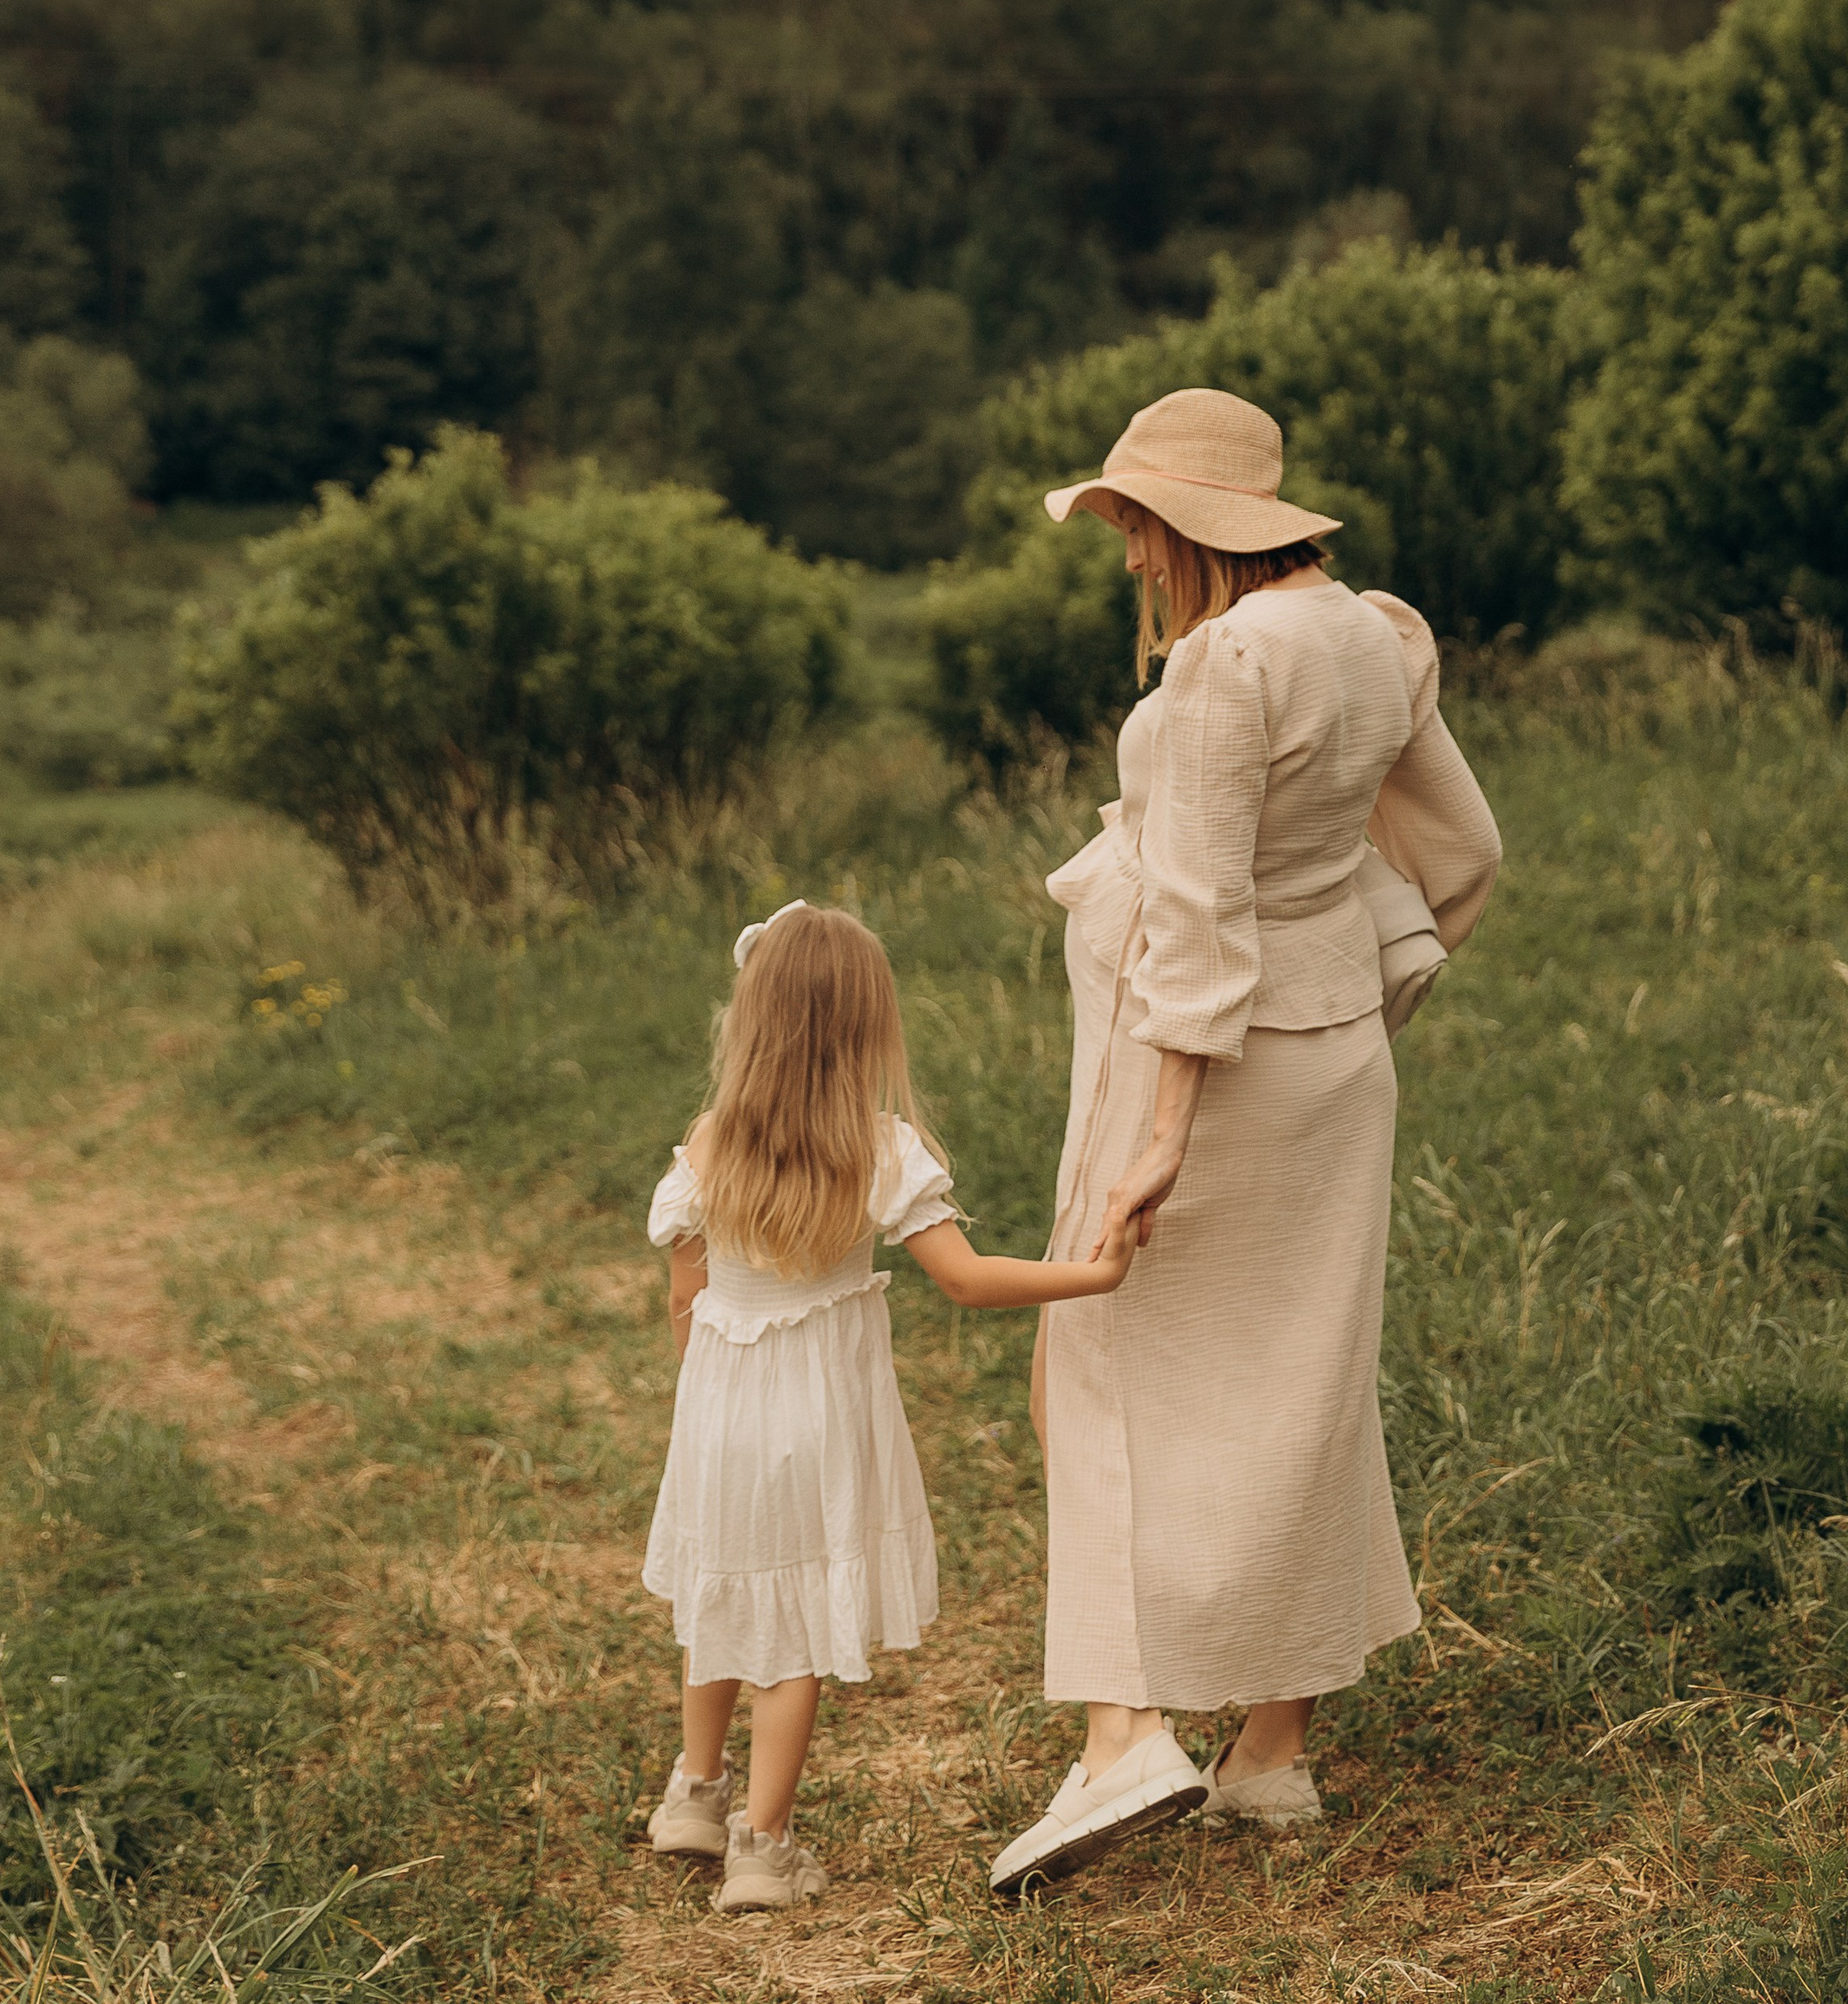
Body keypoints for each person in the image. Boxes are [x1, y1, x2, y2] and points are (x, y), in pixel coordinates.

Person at [990, 389, 1501, 1898]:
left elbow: (1204, 921)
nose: (1131, 557)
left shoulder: (1222, 666)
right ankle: (1271, 1753)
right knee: (1307, 1380)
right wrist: (1360, 991)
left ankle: (1122, 1736)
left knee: (1087, 1362)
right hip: (1331, 1059)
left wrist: (1163, 1131)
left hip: (1197, 1069)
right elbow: (1465, 850)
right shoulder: (1376, 634)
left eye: (1136, 525)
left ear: (1189, 525)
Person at [643, 899, 1142, 1910]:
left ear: (749, 1017)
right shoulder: (878, 1150)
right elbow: (963, 1280)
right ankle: (762, 1848)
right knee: (796, 1636)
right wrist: (1094, 1275)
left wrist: (702, 1404)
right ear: (867, 1027)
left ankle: (692, 1793)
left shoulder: (706, 1143)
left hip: (718, 1409)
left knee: (723, 1591)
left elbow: (683, 1299)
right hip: (816, 1417)